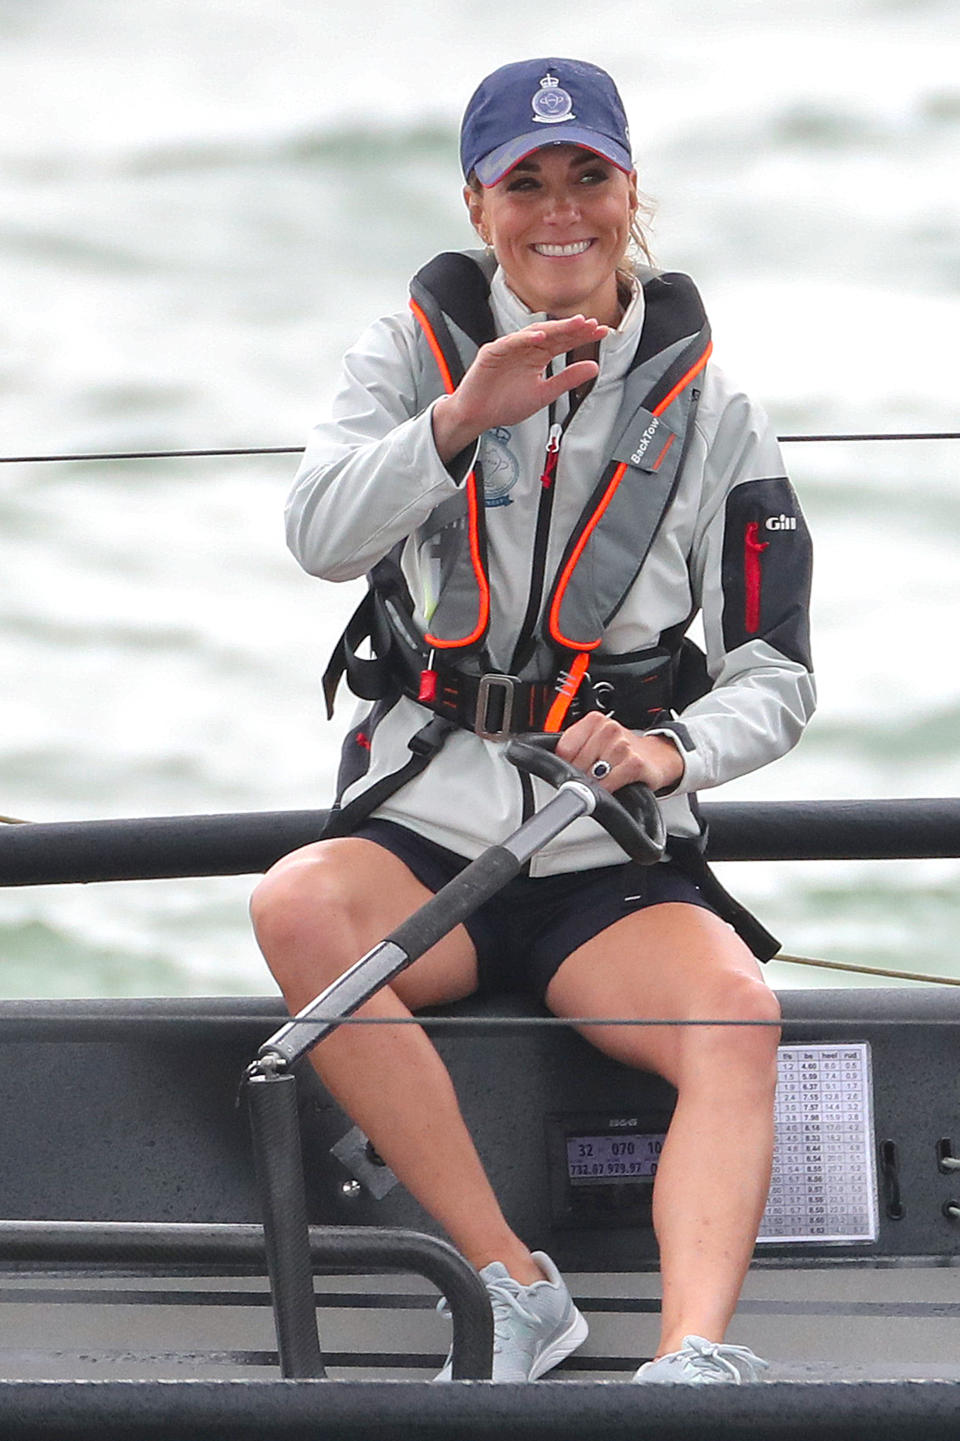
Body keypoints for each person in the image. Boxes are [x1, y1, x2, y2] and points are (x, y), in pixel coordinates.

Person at [251, 56, 814, 1385]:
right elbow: (316, 535)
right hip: (429, 830)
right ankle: (513, 1284)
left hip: (606, 851)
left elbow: (778, 677)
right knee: (296, 908)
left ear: (630, 194)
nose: (559, 211)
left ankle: (691, 1361)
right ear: (477, 202)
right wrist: (456, 422)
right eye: (525, 184)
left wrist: (672, 748)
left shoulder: (720, 413)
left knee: (739, 1013)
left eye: (588, 178)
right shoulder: (405, 356)